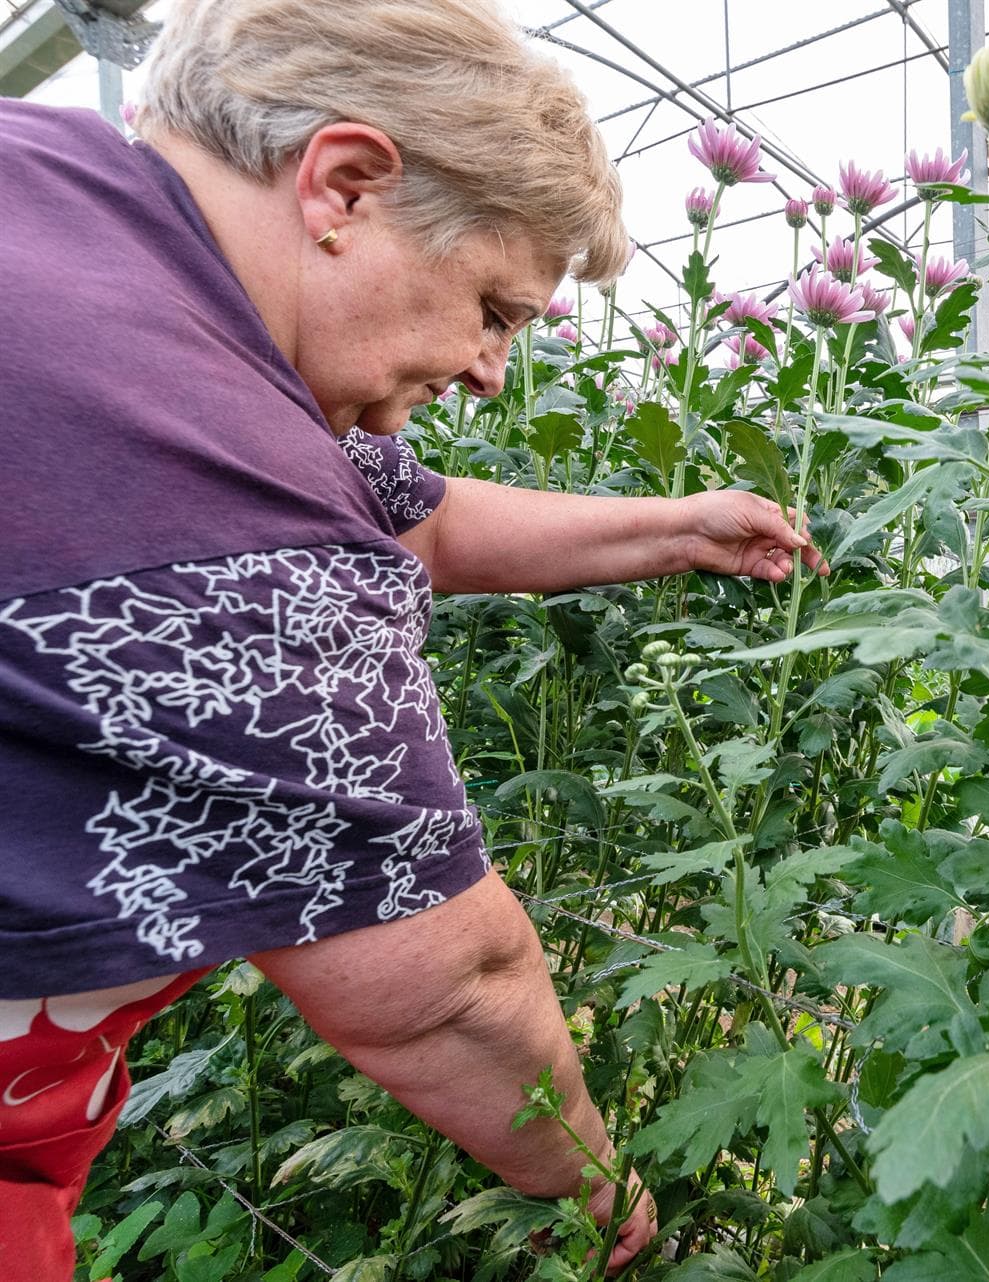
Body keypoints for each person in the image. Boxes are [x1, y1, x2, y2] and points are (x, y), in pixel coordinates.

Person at [0, 1, 822, 1275]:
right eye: (495, 306)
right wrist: (605, 1197)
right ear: (343, 186)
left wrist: (679, 526)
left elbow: (405, 518)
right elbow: (451, 991)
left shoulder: (59, 195)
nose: (494, 368)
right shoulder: (229, 523)